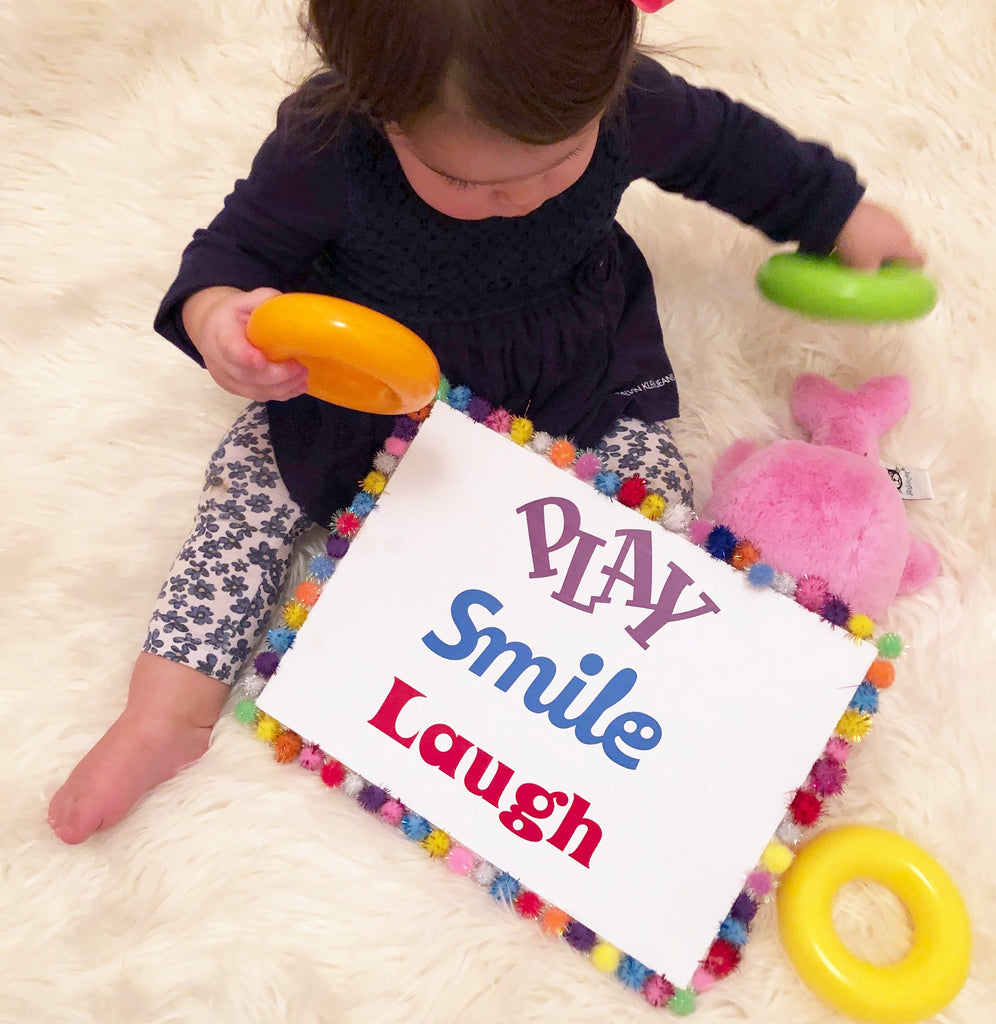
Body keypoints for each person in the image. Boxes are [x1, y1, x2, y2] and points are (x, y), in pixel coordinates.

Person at [48, 0, 924, 844]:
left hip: (567, 372)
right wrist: (219, 320)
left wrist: (836, 212)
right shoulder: (324, 148)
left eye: (561, 157)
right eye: (467, 178)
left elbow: (733, 150)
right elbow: (228, 255)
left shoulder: (624, 99)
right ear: (377, 109)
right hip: (369, 394)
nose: (525, 195)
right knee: (242, 502)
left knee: (651, 526)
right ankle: (165, 709)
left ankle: (656, 738)